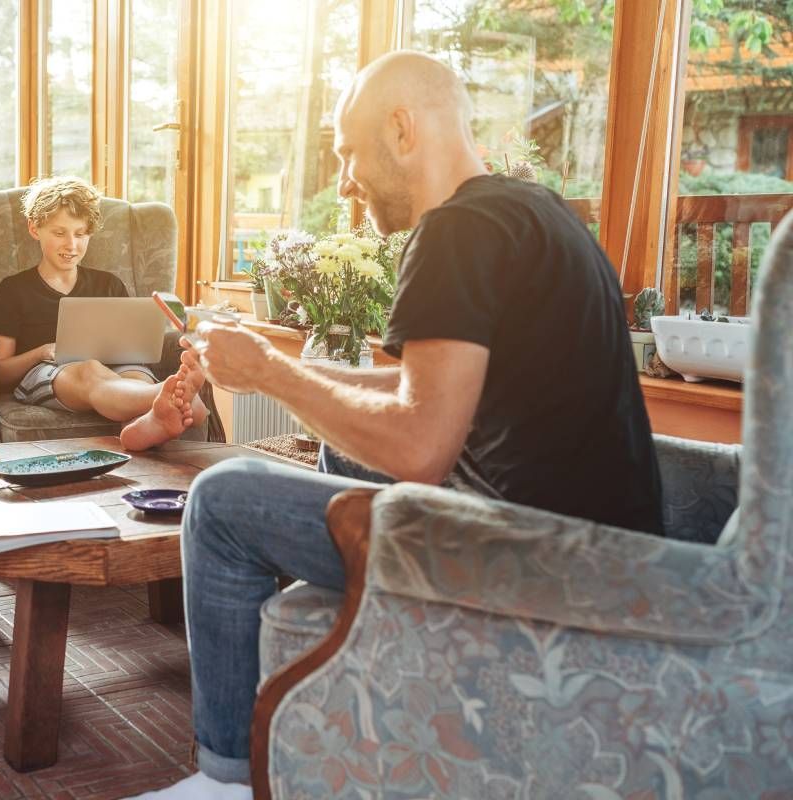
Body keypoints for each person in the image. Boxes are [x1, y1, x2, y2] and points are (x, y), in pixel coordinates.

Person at [130, 52, 665, 799]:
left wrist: (269, 371)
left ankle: (225, 780)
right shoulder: (535, 212)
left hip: (531, 560)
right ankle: (346, 679)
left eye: (348, 153)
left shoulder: (455, 233)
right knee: (343, 460)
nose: (344, 180)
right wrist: (267, 367)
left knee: (221, 504)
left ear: (402, 129)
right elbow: (425, 387)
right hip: (589, 540)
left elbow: (419, 445)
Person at [0, 176, 206, 450]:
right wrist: (41, 351)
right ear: (34, 229)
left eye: (80, 234)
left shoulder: (109, 284)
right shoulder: (14, 289)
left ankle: (149, 425)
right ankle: (169, 396)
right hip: (47, 372)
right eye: (59, 233)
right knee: (89, 369)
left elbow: (134, 349)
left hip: (116, 367)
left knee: (134, 375)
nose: (71, 245)